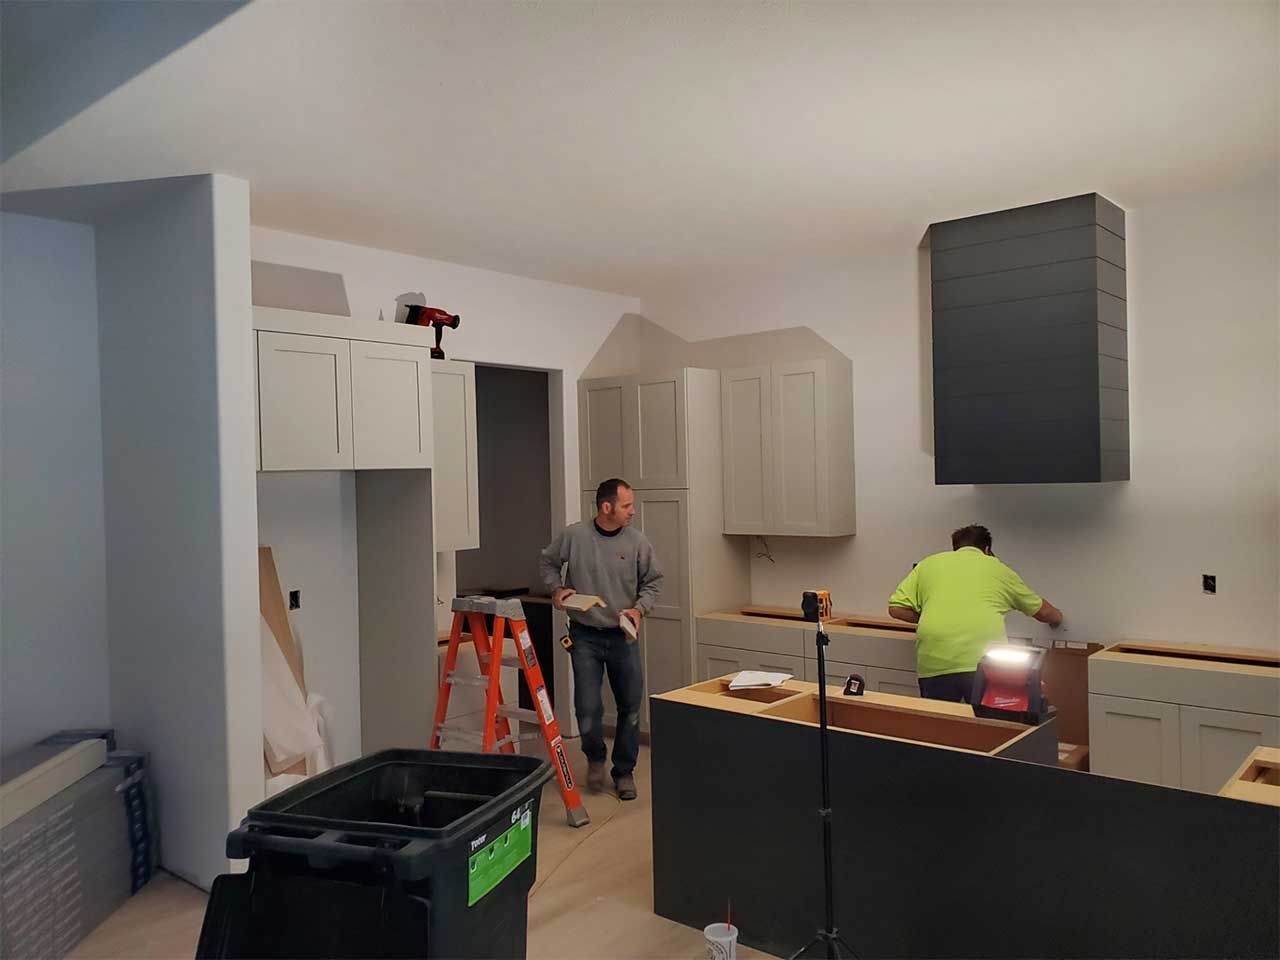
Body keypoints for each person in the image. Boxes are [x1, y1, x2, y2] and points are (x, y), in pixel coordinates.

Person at [538, 478, 663, 800]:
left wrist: (639, 610)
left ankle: (623, 772)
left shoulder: (638, 542)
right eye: (626, 506)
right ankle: (595, 758)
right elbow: (548, 562)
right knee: (587, 708)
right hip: (584, 636)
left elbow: (652, 583)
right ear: (606, 507)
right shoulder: (574, 536)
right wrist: (557, 589)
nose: (632, 512)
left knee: (631, 707)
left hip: (623, 636)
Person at [887, 524, 1063, 703]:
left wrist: (925, 617)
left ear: (955, 548)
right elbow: (1043, 612)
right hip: (984, 662)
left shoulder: (927, 564)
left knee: (940, 726)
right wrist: (1059, 618)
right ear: (987, 550)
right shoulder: (998, 569)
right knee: (986, 725)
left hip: (935, 661)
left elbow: (896, 608)